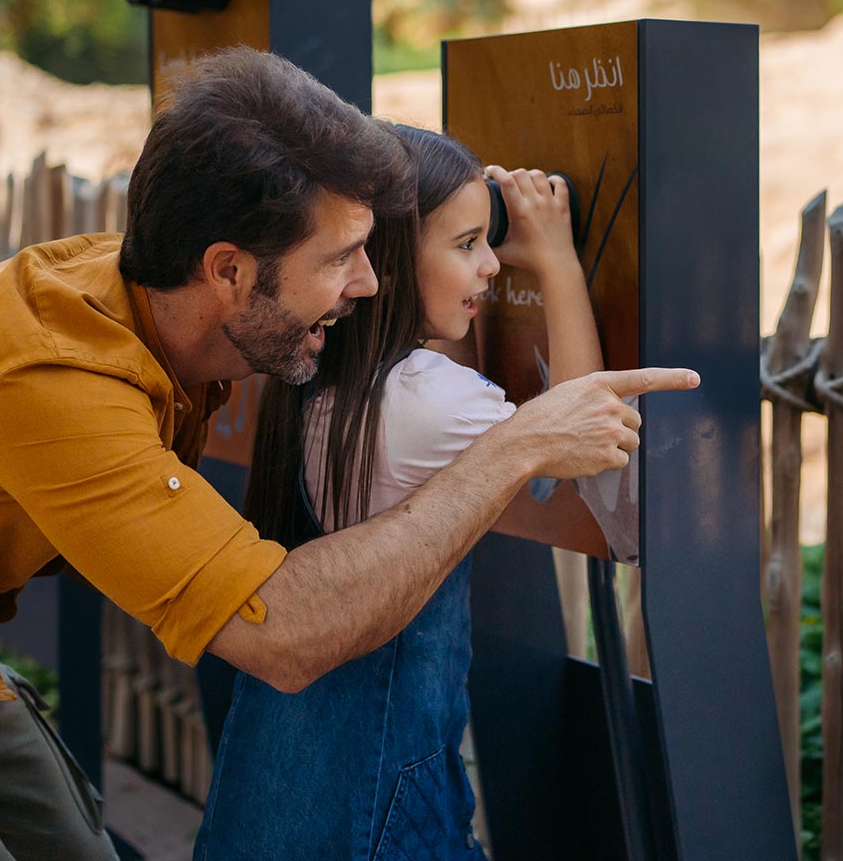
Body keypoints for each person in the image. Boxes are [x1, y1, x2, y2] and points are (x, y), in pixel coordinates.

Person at [0, 49, 694, 860]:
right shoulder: (57, 385)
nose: (369, 289)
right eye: (341, 261)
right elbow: (286, 635)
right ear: (228, 270)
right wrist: (509, 452)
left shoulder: (157, 300)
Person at [194, 125, 599, 859]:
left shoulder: (330, 375)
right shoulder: (425, 403)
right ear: (388, 261)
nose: (487, 268)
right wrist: (557, 261)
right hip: (381, 799)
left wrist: (469, 253)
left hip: (284, 788)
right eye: (466, 244)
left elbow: (460, 382)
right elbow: (577, 446)